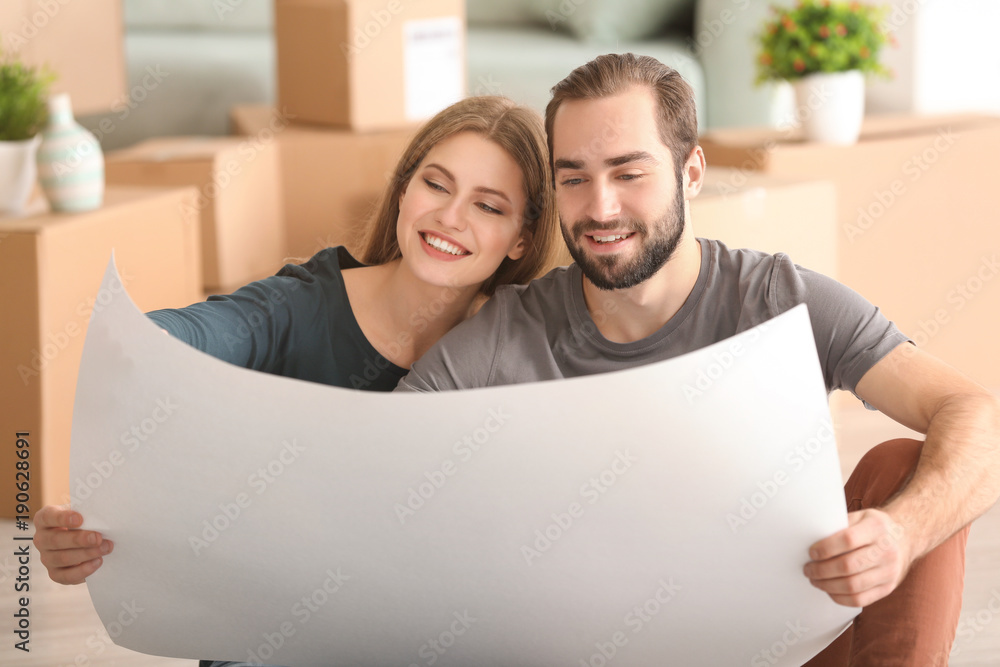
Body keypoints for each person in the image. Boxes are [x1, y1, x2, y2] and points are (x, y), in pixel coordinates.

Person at [396, 54, 1000, 666]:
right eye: (573, 178)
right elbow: (380, 467)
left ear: (691, 173)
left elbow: (978, 416)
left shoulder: (777, 298)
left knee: (902, 466)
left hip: (782, 645)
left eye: (628, 173)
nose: (600, 208)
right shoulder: (509, 333)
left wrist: (905, 531)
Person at [33, 95, 560, 590]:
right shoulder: (301, 305)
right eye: (436, 185)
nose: (450, 216)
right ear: (403, 189)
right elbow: (190, 335)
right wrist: (81, 527)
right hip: (276, 621)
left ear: (523, 238)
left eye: (488, 206)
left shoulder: (520, 347)